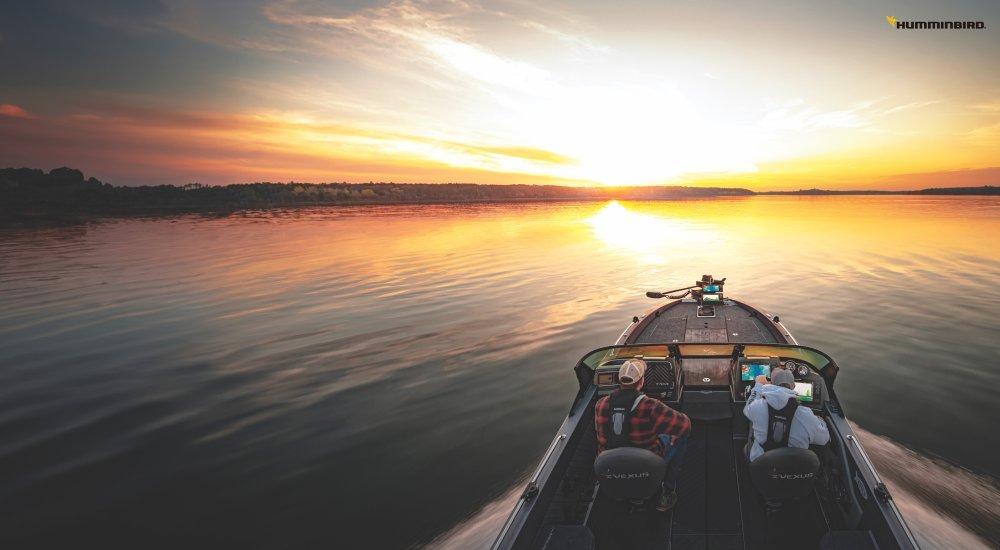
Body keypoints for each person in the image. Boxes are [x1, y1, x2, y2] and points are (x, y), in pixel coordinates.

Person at [595, 358, 691, 511]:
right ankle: (667, 491)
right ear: (641, 382)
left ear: (619, 381)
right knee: (680, 436)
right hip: (647, 460)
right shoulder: (651, 406)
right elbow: (685, 425)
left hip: (610, 464)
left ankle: (628, 493)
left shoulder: (600, 404)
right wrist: (671, 432)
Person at [743, 368, 829, 462]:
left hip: (761, 465)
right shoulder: (807, 415)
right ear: (793, 386)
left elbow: (748, 408)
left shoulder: (757, 407)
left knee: (752, 428)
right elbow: (824, 439)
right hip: (794, 470)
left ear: (771, 384)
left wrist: (758, 385)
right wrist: (819, 420)